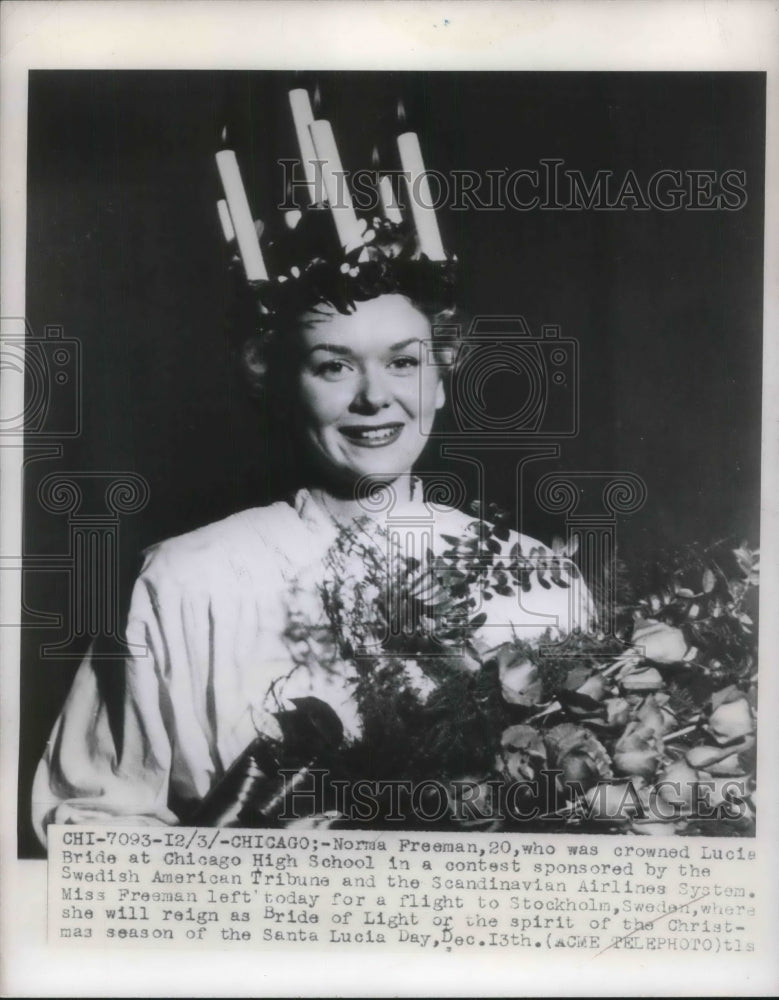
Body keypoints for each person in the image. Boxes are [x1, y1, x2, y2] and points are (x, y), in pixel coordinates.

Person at [32, 129, 594, 845]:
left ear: (442, 381)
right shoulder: (185, 579)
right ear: (277, 386)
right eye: (333, 367)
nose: (373, 398)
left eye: (402, 363)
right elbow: (89, 827)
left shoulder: (540, 583)